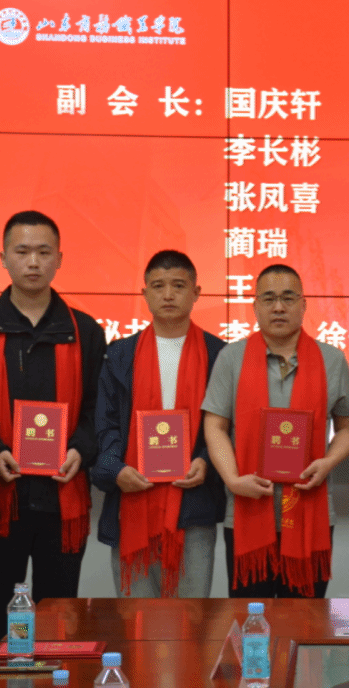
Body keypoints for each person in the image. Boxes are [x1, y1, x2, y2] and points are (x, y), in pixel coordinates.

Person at [0, 210, 107, 661]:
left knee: (59, 614)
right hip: (0, 499)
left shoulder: (85, 331)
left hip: (62, 496)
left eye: (44, 252)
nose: (33, 262)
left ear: (59, 259)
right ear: (3, 258)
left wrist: (80, 449)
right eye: (22, 251)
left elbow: (101, 409)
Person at [202, 263, 349, 598]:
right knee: (249, 615)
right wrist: (232, 480)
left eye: (288, 298)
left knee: (304, 618)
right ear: (255, 306)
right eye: (269, 299)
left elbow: (346, 428)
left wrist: (328, 463)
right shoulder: (231, 357)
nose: (279, 307)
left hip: (311, 511)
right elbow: (214, 425)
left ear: (304, 304)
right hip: (246, 508)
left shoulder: (332, 360)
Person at [92, 250, 225, 597]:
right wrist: (116, 469)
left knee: (191, 619)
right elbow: (105, 425)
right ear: (145, 293)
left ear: (196, 293)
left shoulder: (219, 354)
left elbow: (228, 426)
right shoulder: (119, 355)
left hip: (193, 507)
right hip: (133, 501)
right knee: (136, 621)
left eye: (178, 285)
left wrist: (206, 462)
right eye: (158, 286)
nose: (168, 295)